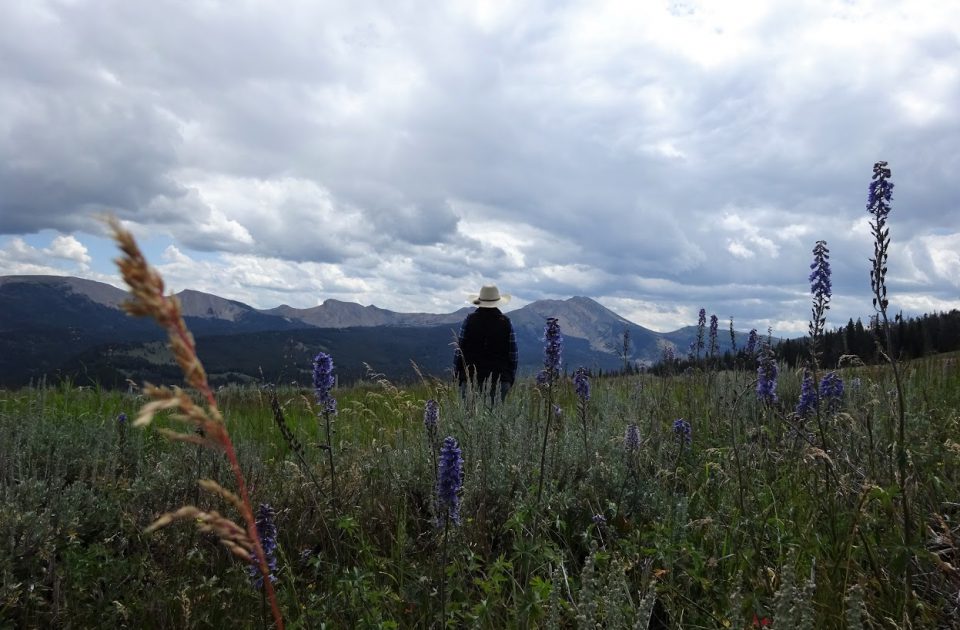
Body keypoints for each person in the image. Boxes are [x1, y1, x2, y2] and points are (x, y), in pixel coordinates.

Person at [454, 284, 518, 403]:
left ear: (480, 301)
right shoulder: (506, 322)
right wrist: (509, 378)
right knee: (495, 419)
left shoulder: (469, 320)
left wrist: (457, 375)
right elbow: (513, 355)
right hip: (500, 380)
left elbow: (459, 351)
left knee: (469, 418)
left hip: (470, 379)